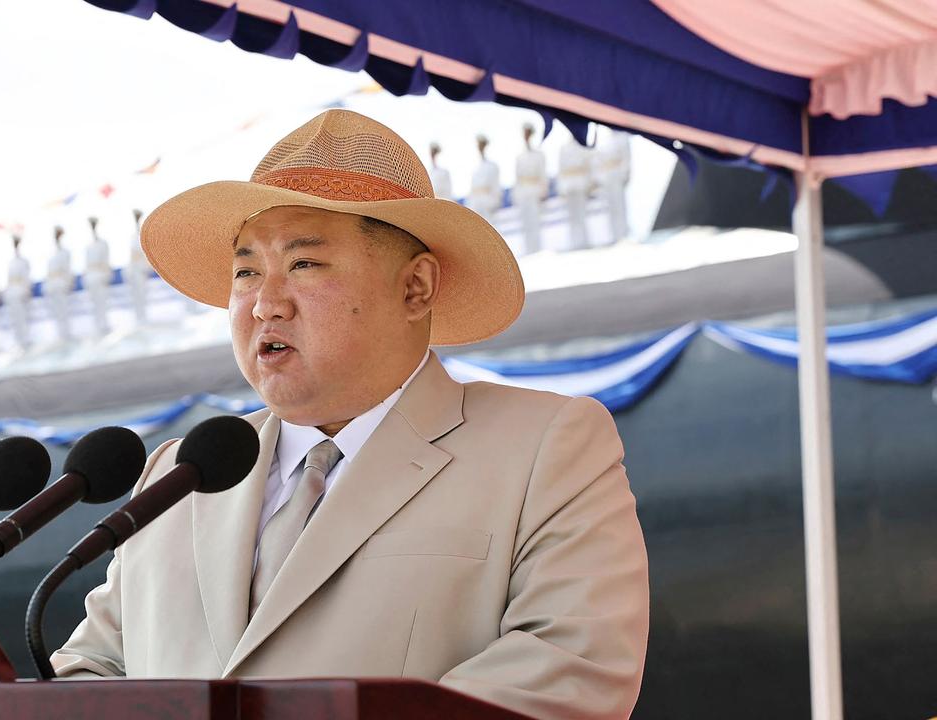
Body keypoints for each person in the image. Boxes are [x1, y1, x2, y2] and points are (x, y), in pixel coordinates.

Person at [52, 109, 649, 720]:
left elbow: (568, 672)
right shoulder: (179, 473)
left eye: (303, 264)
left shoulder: (544, 446)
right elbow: (92, 669)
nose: (264, 304)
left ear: (415, 288)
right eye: (245, 271)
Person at [512, 123, 548, 256]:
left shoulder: (538, 155)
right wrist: (516, 195)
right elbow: (517, 178)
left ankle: (537, 250)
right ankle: (529, 251)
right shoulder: (519, 156)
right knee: (526, 223)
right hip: (523, 192)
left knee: (535, 222)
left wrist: (543, 192)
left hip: (534, 191)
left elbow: (543, 175)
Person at [596, 129, 632, 245]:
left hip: (617, 175)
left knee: (620, 206)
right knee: (611, 207)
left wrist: (624, 175)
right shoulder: (606, 140)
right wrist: (601, 178)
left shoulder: (622, 138)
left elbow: (626, 158)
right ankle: (615, 236)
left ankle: (623, 235)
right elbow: (600, 161)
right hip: (607, 177)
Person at [556, 137, 592, 251]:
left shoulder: (583, 146)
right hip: (568, 185)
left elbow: (588, 166)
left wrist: (588, 184)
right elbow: (561, 169)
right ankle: (575, 243)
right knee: (572, 216)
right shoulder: (564, 148)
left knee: (581, 214)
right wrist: (561, 188)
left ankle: (583, 242)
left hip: (580, 183)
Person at [45, 225, 74, 343]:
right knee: (57, 311)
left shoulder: (64, 252)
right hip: (53, 285)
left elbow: (66, 269)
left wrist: (67, 282)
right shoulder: (51, 252)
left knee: (64, 309)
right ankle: (61, 334)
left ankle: (66, 334)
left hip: (61, 283)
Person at [85, 216, 112, 337]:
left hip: (100, 275)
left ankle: (104, 325)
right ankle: (98, 325)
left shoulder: (102, 243)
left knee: (102, 301)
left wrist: (105, 275)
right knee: (94, 302)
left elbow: (105, 260)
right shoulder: (89, 245)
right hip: (91, 277)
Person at [5, 234, 33, 349]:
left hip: (20, 291)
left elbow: (25, 277)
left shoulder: (23, 261)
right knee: (15, 319)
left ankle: (26, 341)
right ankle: (19, 342)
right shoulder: (11, 262)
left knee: (23, 317)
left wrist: (25, 290)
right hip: (12, 293)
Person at [467, 133, 502, 221]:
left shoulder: (492, 166)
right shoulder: (475, 167)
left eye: (481, 144)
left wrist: (493, 202)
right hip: (476, 204)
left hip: (487, 203)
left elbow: (495, 185)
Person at [127, 209, 151, 326]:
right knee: (137, 294)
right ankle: (140, 317)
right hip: (134, 269)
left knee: (142, 293)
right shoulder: (133, 237)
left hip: (140, 268)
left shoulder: (141, 235)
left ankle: (143, 317)